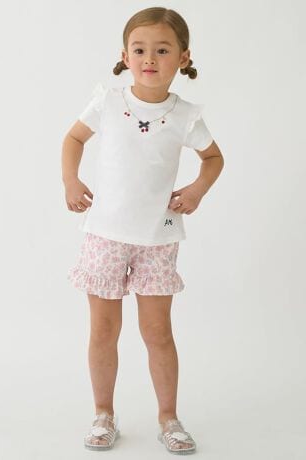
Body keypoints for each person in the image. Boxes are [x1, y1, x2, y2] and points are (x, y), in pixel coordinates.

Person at [61, 6, 224, 455]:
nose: (149, 58)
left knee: (157, 332)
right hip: (105, 236)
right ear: (125, 56)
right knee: (103, 330)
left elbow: (214, 158)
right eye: (139, 49)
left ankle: (169, 417)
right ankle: (103, 413)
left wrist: (197, 190)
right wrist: (71, 179)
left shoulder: (185, 115)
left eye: (162, 50)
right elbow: (73, 138)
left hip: (157, 238)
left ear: (183, 58)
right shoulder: (109, 102)